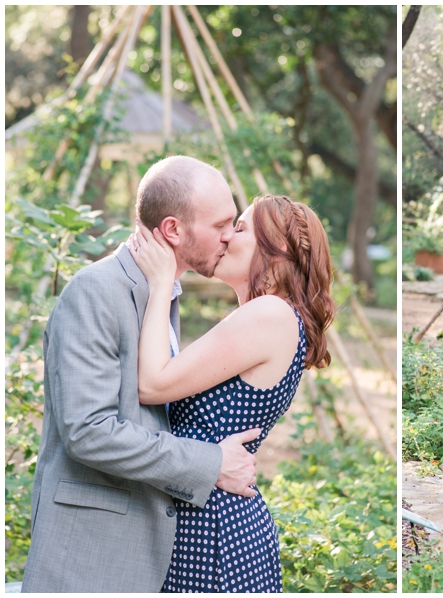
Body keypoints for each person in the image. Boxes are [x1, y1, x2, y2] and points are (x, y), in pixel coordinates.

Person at [22, 156, 261, 593]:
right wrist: (210, 463)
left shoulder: (162, 291)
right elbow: (89, 431)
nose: (231, 235)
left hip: (143, 550)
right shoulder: (95, 291)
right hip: (89, 556)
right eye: (221, 224)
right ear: (173, 230)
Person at [129, 191, 335, 592]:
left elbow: (152, 383)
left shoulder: (269, 314)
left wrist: (160, 283)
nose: (224, 237)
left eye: (238, 228)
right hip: (210, 517)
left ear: (276, 251)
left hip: (213, 530)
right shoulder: (270, 316)